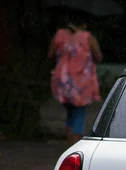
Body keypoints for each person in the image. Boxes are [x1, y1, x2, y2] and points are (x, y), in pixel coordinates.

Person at [48, 14, 102, 145]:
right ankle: (74, 147)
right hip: (81, 83)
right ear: (84, 24)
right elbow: (99, 57)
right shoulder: (87, 37)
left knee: (71, 113)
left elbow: (50, 55)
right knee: (79, 115)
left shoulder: (59, 34)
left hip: (63, 81)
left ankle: (68, 144)